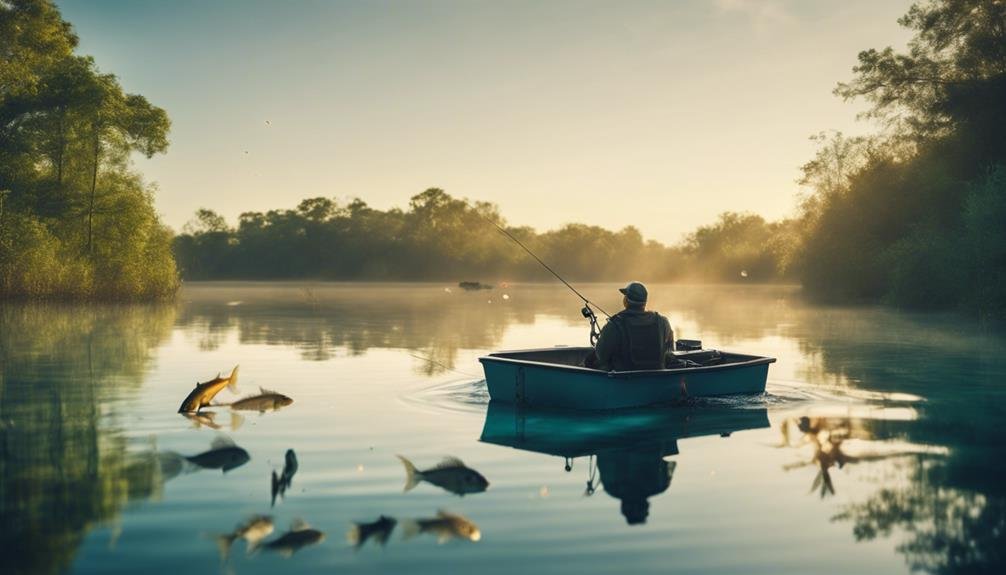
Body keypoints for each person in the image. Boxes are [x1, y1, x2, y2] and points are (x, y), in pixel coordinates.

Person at [589, 281, 673, 371]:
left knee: (590, 361)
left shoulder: (614, 325)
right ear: (645, 302)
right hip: (657, 375)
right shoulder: (663, 321)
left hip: (626, 378)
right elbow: (669, 348)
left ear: (626, 300)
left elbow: (601, 356)